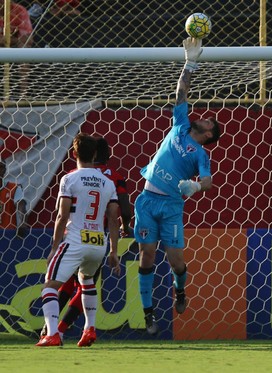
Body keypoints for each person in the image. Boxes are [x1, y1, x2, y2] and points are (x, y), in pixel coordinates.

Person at [134, 37, 221, 335]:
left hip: (171, 207)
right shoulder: (180, 125)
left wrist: (196, 188)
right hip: (147, 199)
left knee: (176, 262)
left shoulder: (201, 154)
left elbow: (208, 181)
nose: (205, 117)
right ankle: (148, 313)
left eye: (210, 121)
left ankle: (180, 290)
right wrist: (189, 63)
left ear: (208, 136)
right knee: (146, 255)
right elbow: (180, 93)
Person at [39, 136, 132, 340]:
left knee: (50, 285)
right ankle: (89, 329)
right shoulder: (108, 182)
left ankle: (53, 333)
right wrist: (114, 250)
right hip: (98, 242)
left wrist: (55, 247)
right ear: (96, 154)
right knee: (87, 282)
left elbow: (62, 215)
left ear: (74, 154)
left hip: (75, 240)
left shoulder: (70, 177)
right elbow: (115, 218)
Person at [0, 158, 28, 238]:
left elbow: (21, 207)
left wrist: (23, 223)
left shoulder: (14, 188)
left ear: (4, 170)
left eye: (1, 167)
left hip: (7, 235)